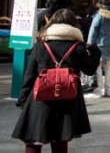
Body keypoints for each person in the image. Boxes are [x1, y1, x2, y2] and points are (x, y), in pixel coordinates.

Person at [12, 8, 101, 153]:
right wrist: (95, 52)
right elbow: (90, 70)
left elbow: (30, 74)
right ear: (73, 25)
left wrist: (23, 97)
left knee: (34, 139)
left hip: (41, 97)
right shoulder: (77, 46)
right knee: (60, 139)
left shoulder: (41, 44)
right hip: (67, 99)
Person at [86, 0, 110, 98]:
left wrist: (89, 42)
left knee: (98, 66)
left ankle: (100, 88)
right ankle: (108, 89)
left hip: (99, 43)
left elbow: (93, 29)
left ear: (103, 5)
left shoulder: (100, 15)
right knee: (108, 67)